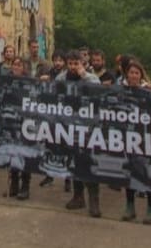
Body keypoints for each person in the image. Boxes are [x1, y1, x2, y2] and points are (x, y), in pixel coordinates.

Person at [58, 51, 102, 217]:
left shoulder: (90, 77)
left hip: (87, 127)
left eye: (76, 64)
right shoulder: (62, 78)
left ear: (82, 64)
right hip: (69, 126)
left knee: (88, 162)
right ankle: (78, 197)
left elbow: (98, 89)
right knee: (74, 162)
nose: (73, 67)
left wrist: (84, 75)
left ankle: (94, 200)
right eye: (70, 64)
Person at [119, 61, 151, 224]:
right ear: (127, 75)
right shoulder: (121, 91)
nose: (134, 76)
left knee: (147, 172)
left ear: (141, 75)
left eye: (137, 73)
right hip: (128, 136)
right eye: (131, 73)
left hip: (146, 137)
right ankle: (130, 206)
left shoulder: (149, 91)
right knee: (130, 171)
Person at [6, 58, 33, 200]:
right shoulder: (8, 80)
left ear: (24, 67)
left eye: (19, 65)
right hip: (11, 121)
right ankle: (14, 185)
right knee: (13, 154)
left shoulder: (29, 82)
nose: (16, 67)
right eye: (14, 64)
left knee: (24, 155)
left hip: (25, 122)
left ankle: (25, 186)